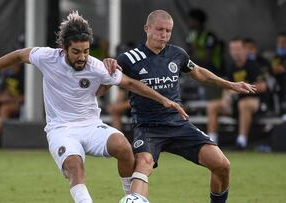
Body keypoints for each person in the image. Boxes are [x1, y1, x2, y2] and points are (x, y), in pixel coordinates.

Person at [0, 11, 188, 203]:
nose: (82, 57)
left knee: (124, 147)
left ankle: (130, 198)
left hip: (90, 125)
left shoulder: (96, 66)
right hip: (61, 129)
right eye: (76, 52)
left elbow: (129, 83)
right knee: (75, 167)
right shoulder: (47, 57)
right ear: (64, 48)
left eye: (86, 51)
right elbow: (19, 55)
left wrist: (164, 99)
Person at [102, 10, 256, 203]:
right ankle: (134, 200)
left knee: (222, 165)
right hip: (148, 126)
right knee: (143, 163)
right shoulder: (128, 59)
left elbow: (199, 72)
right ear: (147, 29)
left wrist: (230, 84)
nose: (164, 34)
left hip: (179, 124)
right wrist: (106, 67)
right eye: (159, 29)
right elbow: (103, 85)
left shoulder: (177, 54)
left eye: (168, 30)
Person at [207, 38, 267, 149]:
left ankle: (241, 141)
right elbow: (227, 87)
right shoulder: (231, 68)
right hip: (235, 102)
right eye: (233, 49)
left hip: (256, 102)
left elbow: (263, 86)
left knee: (243, 104)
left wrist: (243, 89)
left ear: (245, 50)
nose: (235, 52)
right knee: (212, 106)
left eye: (238, 49)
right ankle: (211, 141)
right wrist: (226, 98)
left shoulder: (253, 65)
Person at [186, 8, 225, 101]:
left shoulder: (209, 36)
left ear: (197, 21)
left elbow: (208, 58)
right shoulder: (191, 36)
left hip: (212, 69)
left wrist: (195, 50)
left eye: (191, 20)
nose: (189, 22)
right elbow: (187, 54)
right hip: (198, 67)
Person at [271, 32, 286, 120]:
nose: (281, 45)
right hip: (279, 86)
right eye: (279, 42)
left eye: (284, 42)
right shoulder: (276, 57)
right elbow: (273, 69)